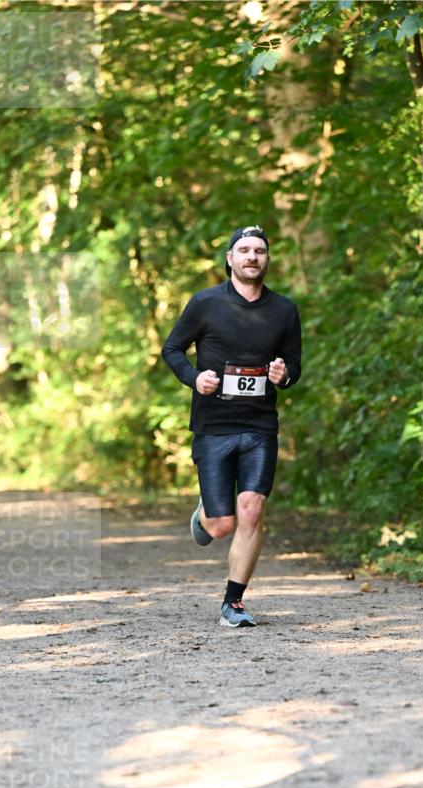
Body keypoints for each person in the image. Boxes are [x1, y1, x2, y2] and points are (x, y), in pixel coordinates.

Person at [161, 225, 302, 628]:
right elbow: (172, 349)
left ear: (267, 259)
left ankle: (233, 603)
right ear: (230, 258)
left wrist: (284, 375)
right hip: (214, 426)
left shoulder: (284, 310)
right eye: (244, 250)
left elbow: (294, 365)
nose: (252, 256)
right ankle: (206, 512)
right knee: (222, 525)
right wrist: (194, 378)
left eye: (259, 250)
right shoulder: (206, 303)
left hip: (260, 426)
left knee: (252, 510)